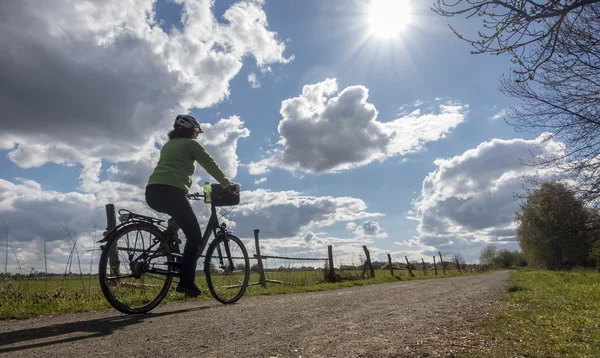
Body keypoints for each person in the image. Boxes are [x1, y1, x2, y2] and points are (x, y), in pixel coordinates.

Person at [145, 114, 238, 297]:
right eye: (197, 132)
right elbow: (210, 164)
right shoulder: (191, 144)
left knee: (178, 215)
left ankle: (168, 238)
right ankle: (186, 282)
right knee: (194, 236)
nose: (197, 135)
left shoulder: (168, 145)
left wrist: (184, 190)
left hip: (152, 192)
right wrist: (227, 184)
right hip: (171, 192)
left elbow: (170, 170)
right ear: (193, 130)